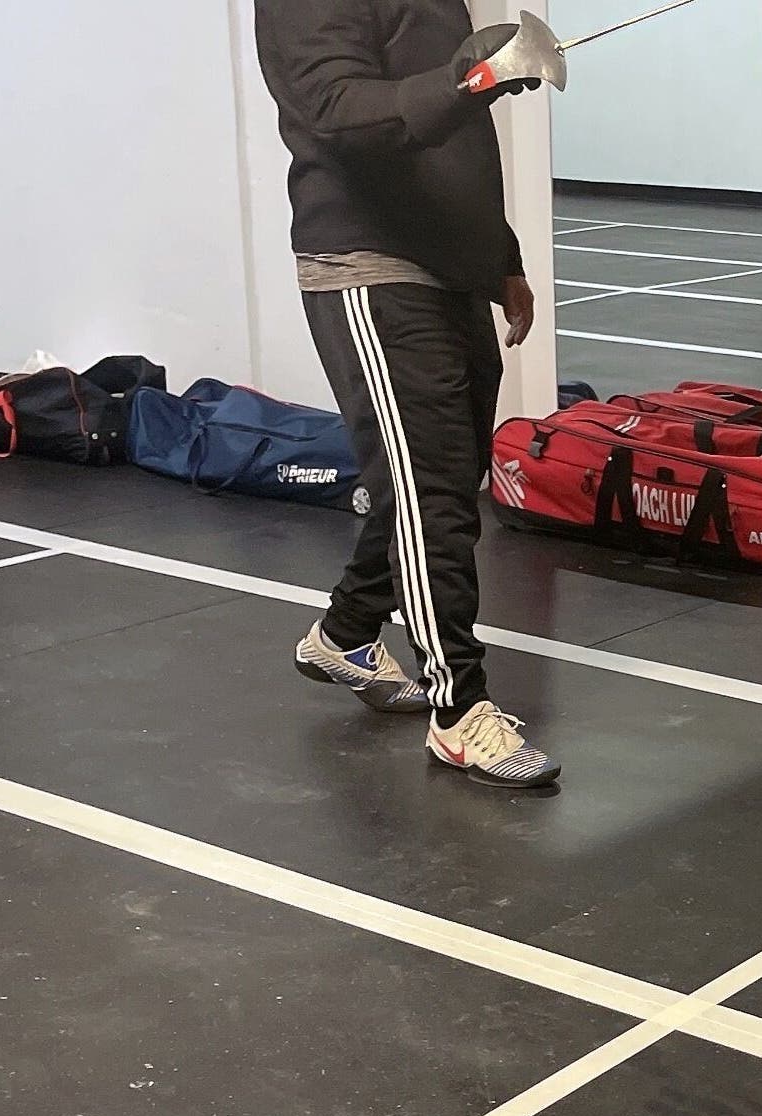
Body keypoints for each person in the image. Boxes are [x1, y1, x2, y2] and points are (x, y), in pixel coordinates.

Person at [255, 0, 561, 789]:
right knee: (431, 491)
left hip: (448, 262)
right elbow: (333, 107)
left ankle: (347, 633)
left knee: (442, 477)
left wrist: (500, 255)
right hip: (367, 260)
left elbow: (455, 142)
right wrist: (465, 80)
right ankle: (459, 710)